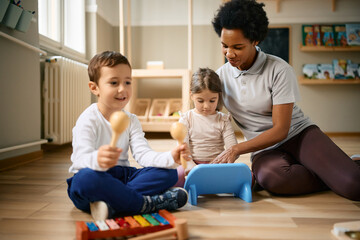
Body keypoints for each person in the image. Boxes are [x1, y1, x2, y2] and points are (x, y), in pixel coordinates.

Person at [211, 0, 360, 200]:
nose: (229, 53)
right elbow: (208, 115)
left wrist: (237, 149)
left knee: (354, 186)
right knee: (275, 180)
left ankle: (348, 167)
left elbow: (280, 130)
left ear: (255, 40)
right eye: (224, 46)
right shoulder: (220, 77)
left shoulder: (279, 70)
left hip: (298, 135)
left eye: (237, 47)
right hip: (263, 149)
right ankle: (333, 170)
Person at [66, 51, 190, 221]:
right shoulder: (87, 119)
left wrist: (171, 157)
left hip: (122, 176)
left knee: (169, 173)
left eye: (127, 82)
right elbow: (79, 159)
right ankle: (146, 203)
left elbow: (143, 155)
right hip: (95, 176)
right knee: (84, 180)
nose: (122, 89)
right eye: (114, 82)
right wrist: (97, 159)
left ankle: (112, 204)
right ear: (94, 88)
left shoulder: (131, 120)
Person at [179, 67, 237, 167]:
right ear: (191, 95)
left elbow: (232, 148)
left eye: (212, 100)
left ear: (219, 96)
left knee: (248, 175)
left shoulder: (223, 120)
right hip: (192, 165)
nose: (206, 106)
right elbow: (183, 150)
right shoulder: (186, 119)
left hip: (217, 165)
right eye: (200, 101)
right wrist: (193, 167)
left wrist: (220, 162)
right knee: (175, 174)